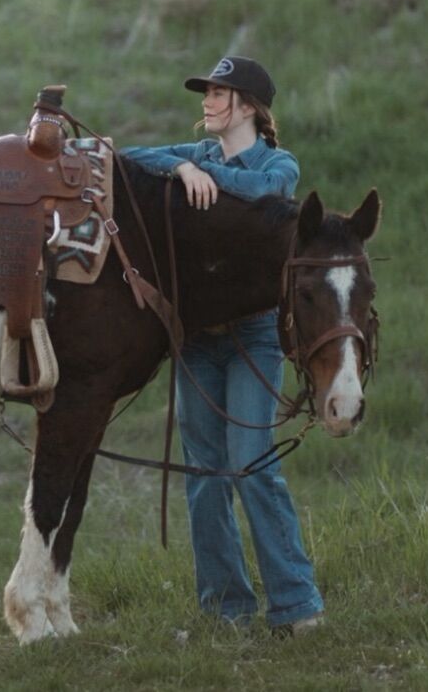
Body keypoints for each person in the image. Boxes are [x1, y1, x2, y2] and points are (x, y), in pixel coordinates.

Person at [121, 55, 325, 635]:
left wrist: (205, 175)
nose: (207, 102)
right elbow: (130, 159)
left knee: (252, 464)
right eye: (206, 93)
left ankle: (296, 603)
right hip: (197, 341)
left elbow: (263, 191)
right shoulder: (200, 156)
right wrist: (183, 169)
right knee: (204, 474)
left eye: (218, 93)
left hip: (253, 337)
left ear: (248, 107)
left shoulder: (278, 164)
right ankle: (225, 609)